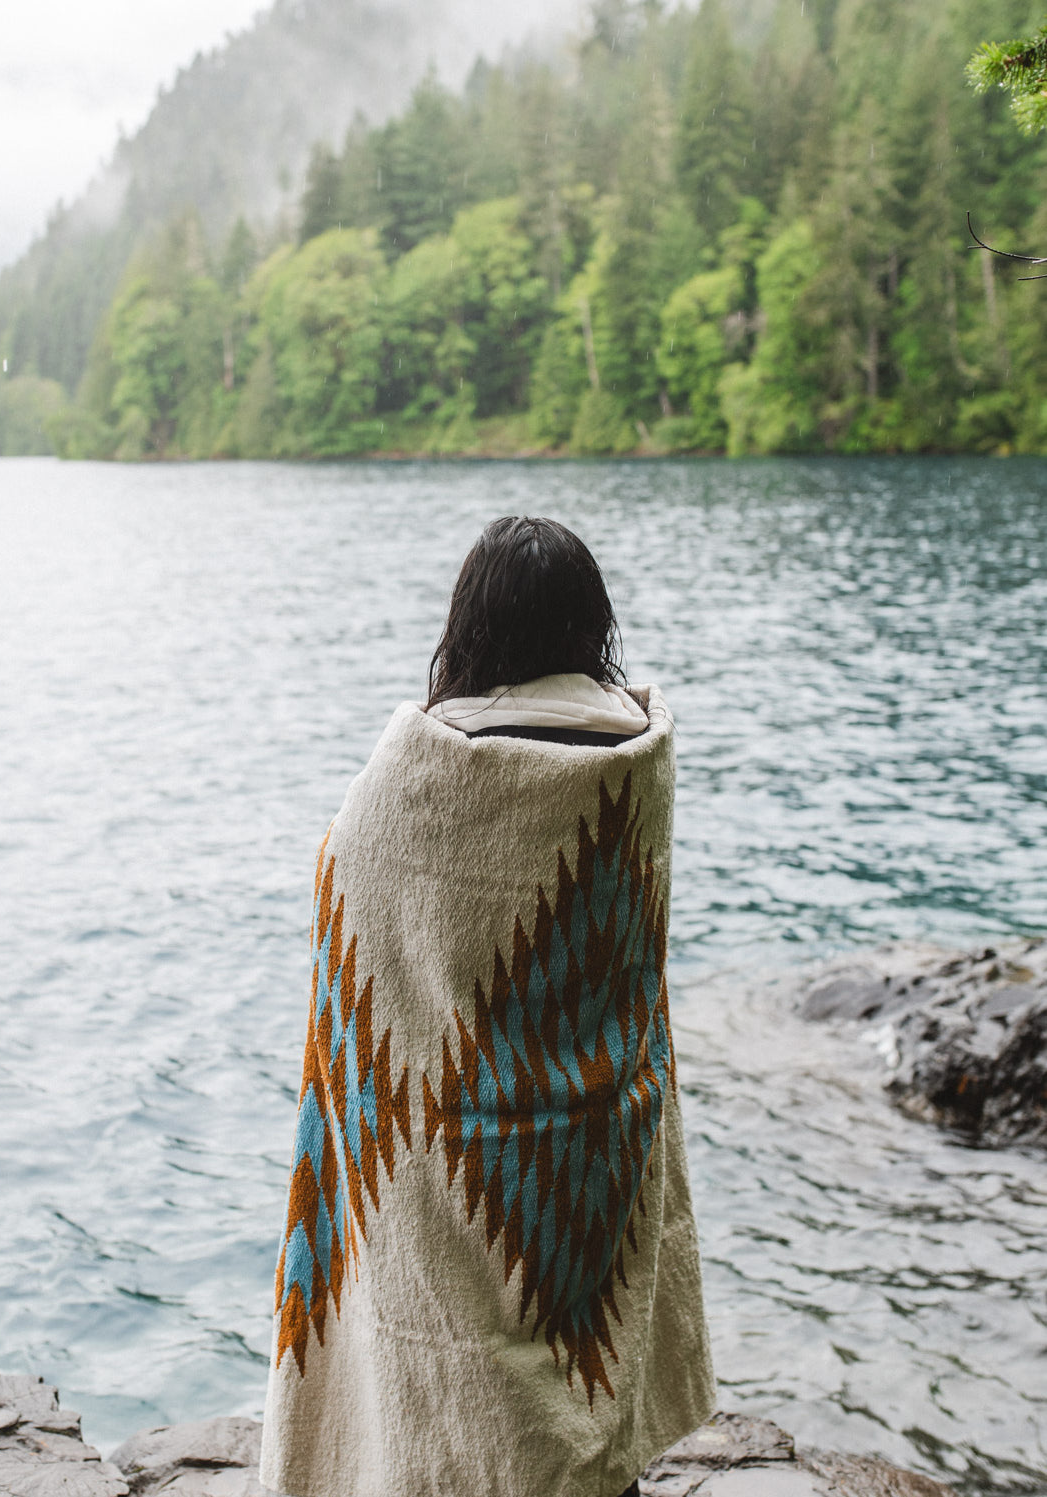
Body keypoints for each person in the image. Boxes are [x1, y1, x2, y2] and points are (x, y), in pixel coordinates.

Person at [259, 516, 715, 1497]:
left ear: (468, 627)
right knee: (578, 1361)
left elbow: (350, 899)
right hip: (596, 1142)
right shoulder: (634, 750)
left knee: (452, 1354)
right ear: (591, 624)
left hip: (443, 1164)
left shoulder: (426, 766)